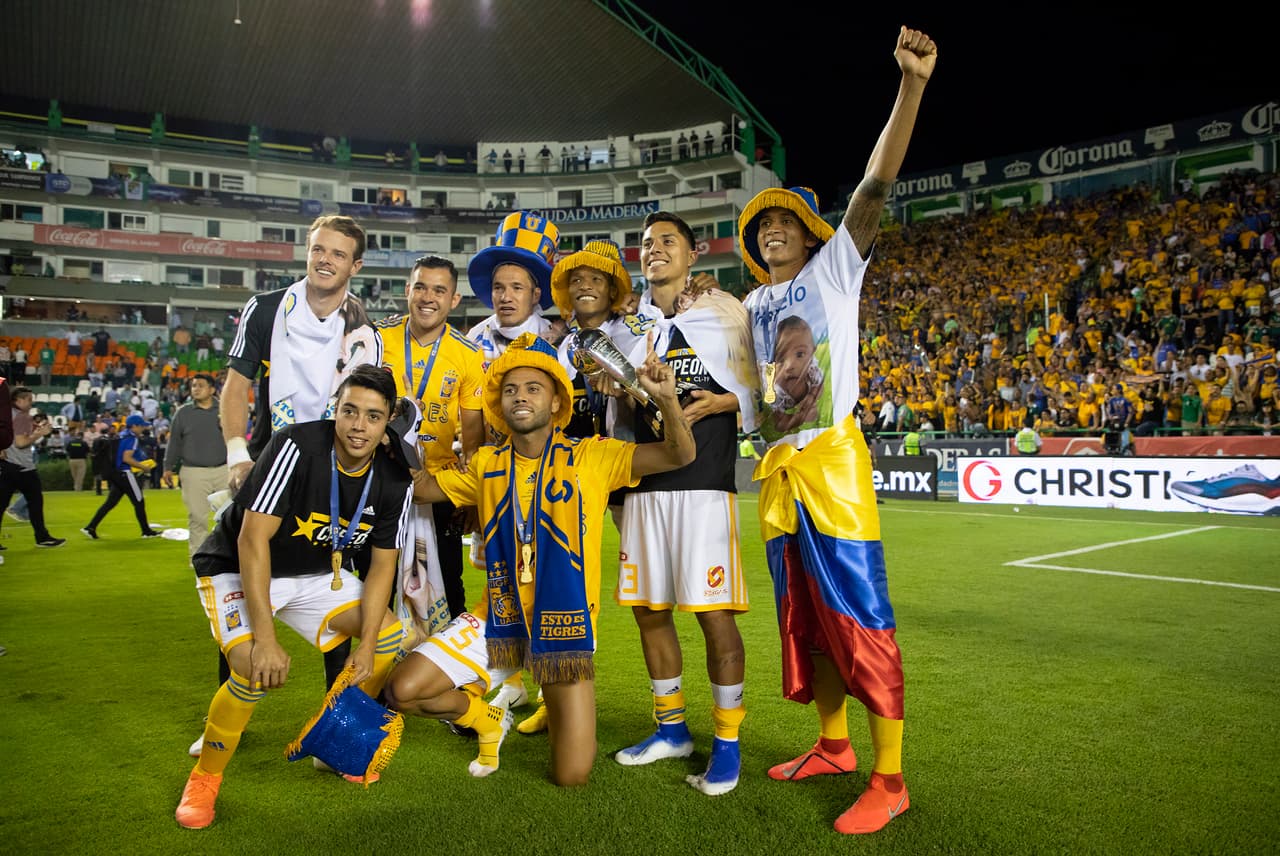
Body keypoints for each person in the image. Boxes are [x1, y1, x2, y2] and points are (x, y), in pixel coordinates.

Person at [736, 26, 936, 835]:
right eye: (762, 228)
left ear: (811, 233)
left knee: (862, 617)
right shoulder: (749, 308)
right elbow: (744, 393)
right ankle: (833, 744)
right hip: (777, 470)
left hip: (834, 464)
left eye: (785, 221)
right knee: (805, 623)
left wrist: (911, 86)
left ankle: (891, 778)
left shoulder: (835, 268)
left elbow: (875, 186)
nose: (772, 230)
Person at [386, 333, 696, 786]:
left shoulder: (592, 455)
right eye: (510, 390)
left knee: (571, 774)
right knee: (402, 690)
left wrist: (668, 401)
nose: (520, 397)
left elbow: (679, 453)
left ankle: (536, 697)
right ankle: (485, 717)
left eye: (533, 388)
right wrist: (393, 437)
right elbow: (423, 487)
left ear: (555, 402)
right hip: (498, 618)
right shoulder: (486, 463)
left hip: (563, 626)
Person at [174, 365, 415, 829]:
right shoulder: (297, 445)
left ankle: (333, 741)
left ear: (386, 427)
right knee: (251, 668)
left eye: (372, 416)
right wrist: (265, 638)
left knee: (386, 635)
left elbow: (384, 563)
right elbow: (250, 540)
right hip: (237, 566)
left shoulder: (394, 480)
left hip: (315, 573)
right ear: (335, 410)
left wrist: (365, 646)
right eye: (349, 411)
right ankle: (204, 779)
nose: (357, 426)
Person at [212, 214, 385, 745]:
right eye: (318, 250)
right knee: (248, 573)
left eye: (337, 254)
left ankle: (337, 725)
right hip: (272, 461)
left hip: (336, 472)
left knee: (341, 585)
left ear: (355, 266)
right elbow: (237, 382)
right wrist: (239, 451)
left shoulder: (364, 332)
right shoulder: (266, 309)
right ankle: (226, 717)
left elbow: (372, 408)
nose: (324, 260)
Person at [611, 210, 760, 797]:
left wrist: (718, 405)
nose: (655, 250)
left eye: (668, 242)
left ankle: (727, 743)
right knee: (650, 611)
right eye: (647, 244)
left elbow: (764, 387)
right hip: (644, 488)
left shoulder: (724, 313)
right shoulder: (634, 328)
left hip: (703, 488)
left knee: (712, 614)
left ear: (694, 253)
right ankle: (672, 730)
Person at [464, 212, 561, 725]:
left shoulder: (559, 339)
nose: (505, 296)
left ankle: (553, 691)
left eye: (516, 287)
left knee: (547, 585)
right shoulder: (472, 339)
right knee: (501, 583)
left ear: (535, 292)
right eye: (498, 286)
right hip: (495, 483)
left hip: (547, 482)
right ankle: (511, 683)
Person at [376, 256, 485, 640]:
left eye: (439, 290)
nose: (428, 297)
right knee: (376, 582)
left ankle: (448, 678)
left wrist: (470, 499)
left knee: (449, 584)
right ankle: (374, 676)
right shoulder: (377, 337)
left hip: (438, 488)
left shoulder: (469, 354)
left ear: (454, 300)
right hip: (381, 480)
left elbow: (472, 438)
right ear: (407, 290)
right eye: (420, 286)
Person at [162, 374, 229, 564]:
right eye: (193, 386)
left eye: (200, 385)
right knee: (197, 517)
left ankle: (227, 556)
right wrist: (168, 467)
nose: (196, 389)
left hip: (224, 469)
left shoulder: (224, 410)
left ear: (212, 390)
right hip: (193, 471)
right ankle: (198, 559)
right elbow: (174, 442)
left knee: (228, 517)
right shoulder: (183, 413)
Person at [0, 386, 66, 548]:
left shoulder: (7, 415)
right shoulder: (21, 417)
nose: (31, 402)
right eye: (29, 399)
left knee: (1, 505)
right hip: (23, 467)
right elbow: (21, 443)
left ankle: (42, 536)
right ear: (19, 400)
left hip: (7, 466)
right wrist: (39, 434)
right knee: (35, 502)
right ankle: (42, 537)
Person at [81, 413, 161, 540]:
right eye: (141, 426)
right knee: (139, 501)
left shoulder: (121, 435)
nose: (142, 429)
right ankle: (146, 531)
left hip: (115, 473)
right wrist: (143, 467)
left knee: (110, 503)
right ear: (134, 426)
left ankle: (90, 527)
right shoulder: (132, 438)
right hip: (124, 473)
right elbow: (126, 458)